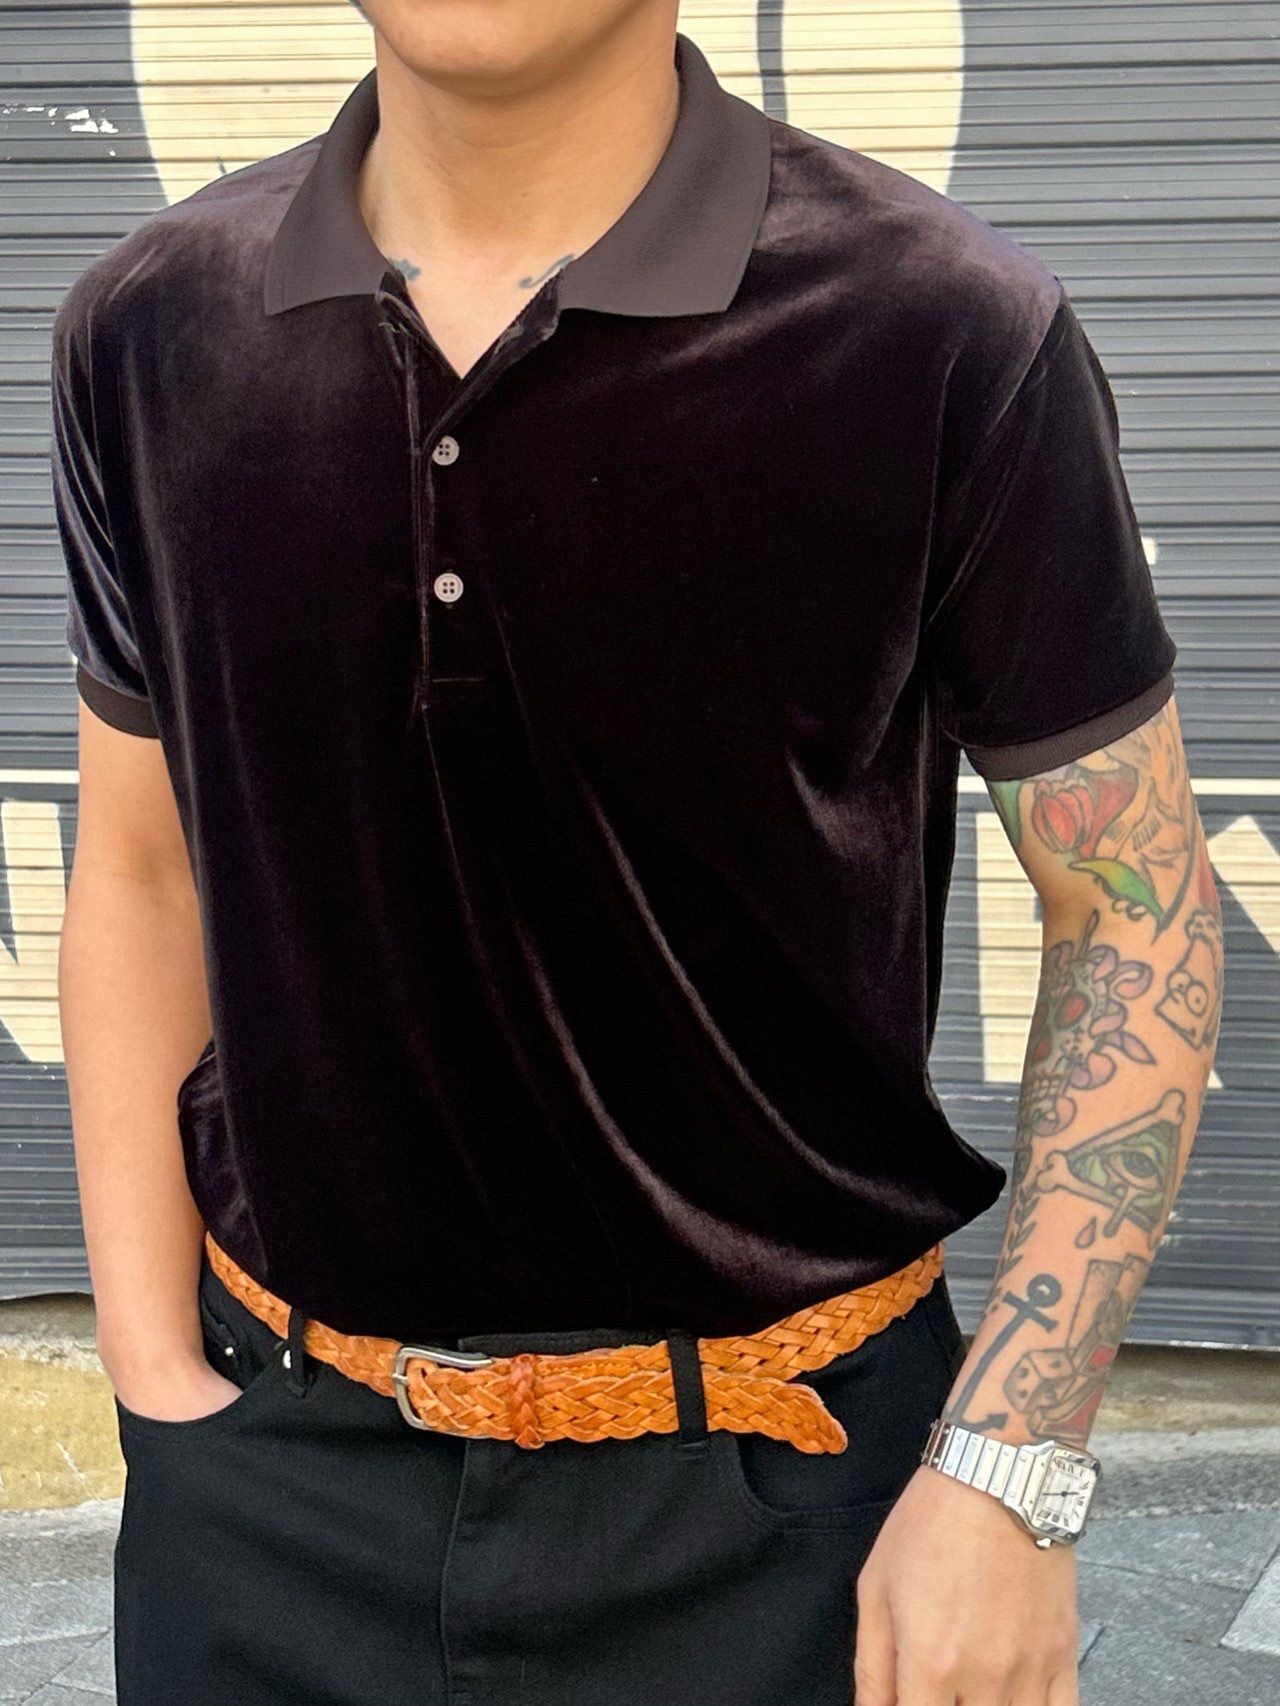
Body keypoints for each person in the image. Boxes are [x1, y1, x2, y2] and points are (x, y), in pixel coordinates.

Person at [52, 4, 1222, 1703]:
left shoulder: (943, 331)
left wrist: (1008, 1468)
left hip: (791, 1514)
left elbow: (1132, 912)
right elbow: (142, 867)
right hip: (273, 1493)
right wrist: (155, 1371)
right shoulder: (151, 327)